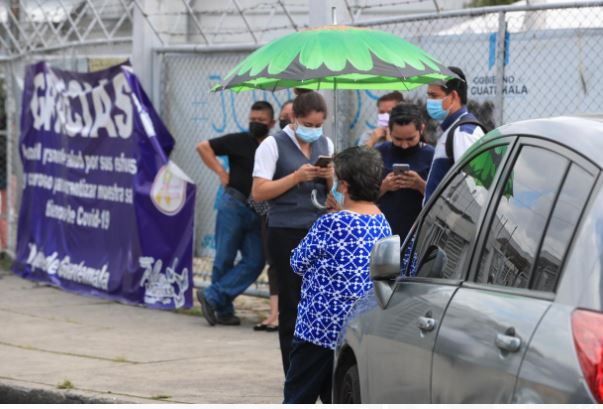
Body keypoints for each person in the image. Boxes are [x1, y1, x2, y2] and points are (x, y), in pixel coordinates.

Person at [283, 147, 392, 404]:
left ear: (343, 186)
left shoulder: (332, 223)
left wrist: (330, 215)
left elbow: (297, 262)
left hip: (318, 329)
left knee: (298, 396)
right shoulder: (382, 221)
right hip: (356, 330)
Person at [252, 91, 334, 375]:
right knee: (292, 304)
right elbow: (259, 191)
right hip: (285, 229)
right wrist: (296, 177)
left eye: (319, 125)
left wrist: (329, 178)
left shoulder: (326, 143)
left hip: (319, 227)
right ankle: (294, 372)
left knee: (321, 301)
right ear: (295, 119)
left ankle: (320, 370)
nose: (314, 131)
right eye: (309, 125)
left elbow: (333, 195)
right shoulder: (272, 145)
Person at [195, 101, 275, 326]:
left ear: (272, 123)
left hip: (257, 211)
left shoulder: (273, 146)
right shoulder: (239, 140)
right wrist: (221, 172)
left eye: (261, 120)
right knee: (224, 258)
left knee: (255, 261)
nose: (256, 123)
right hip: (234, 205)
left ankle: (212, 296)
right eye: (253, 119)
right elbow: (203, 147)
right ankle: (223, 310)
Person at [423, 67, 484, 203]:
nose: (429, 101)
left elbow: (473, 191)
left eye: (434, 96)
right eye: (428, 95)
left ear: (453, 96)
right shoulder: (453, 130)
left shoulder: (463, 133)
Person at [376, 103, 434, 239]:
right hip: (385, 231)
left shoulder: (431, 156)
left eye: (410, 139)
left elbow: (441, 201)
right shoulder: (379, 154)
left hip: (418, 233)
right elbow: (363, 199)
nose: (404, 145)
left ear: (421, 130)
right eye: (398, 139)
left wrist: (420, 185)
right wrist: (384, 187)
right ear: (389, 131)